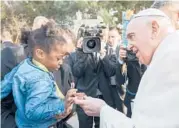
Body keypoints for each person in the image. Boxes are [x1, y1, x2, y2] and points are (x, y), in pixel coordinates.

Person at [74, 8, 179, 128]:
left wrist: (103, 110)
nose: (129, 46)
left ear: (154, 29)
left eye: (132, 37)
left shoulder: (172, 60)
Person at [1, 21, 77, 128]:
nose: (62, 61)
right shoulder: (13, 57)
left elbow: (64, 103)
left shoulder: (65, 68)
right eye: (60, 56)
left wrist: (66, 110)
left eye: (66, 56)